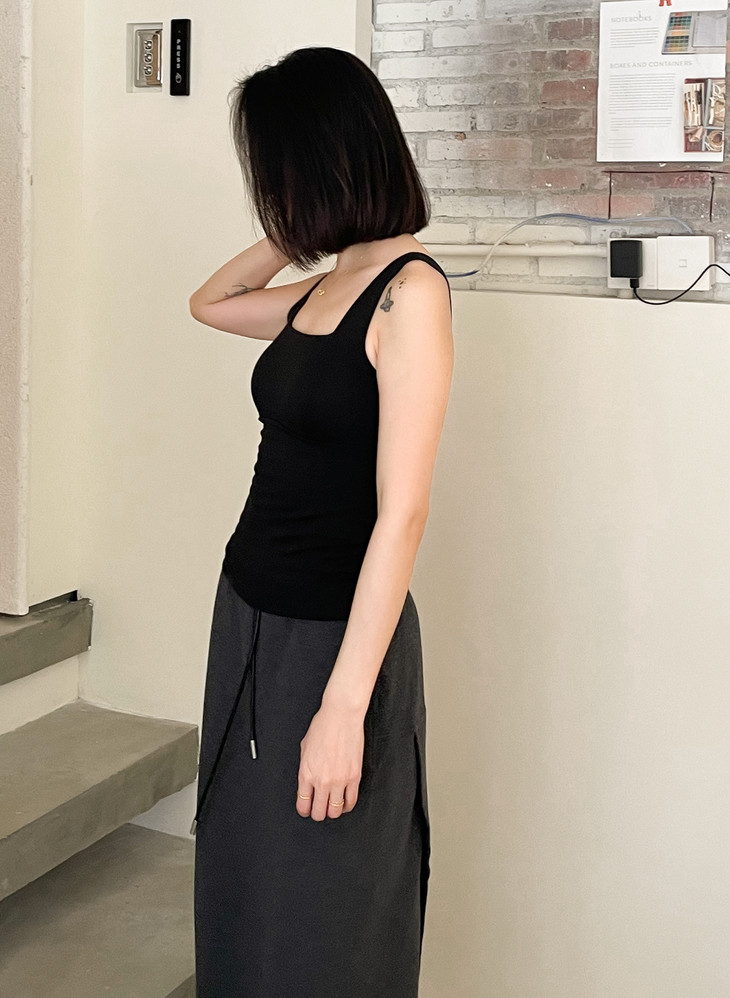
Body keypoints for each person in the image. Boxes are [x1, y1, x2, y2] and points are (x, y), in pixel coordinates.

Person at [188, 44, 453, 998]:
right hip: (250, 615)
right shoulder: (328, 282)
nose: (272, 194)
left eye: (278, 173)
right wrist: (294, 233)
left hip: (336, 643)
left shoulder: (410, 293)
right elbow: (210, 305)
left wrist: (344, 709)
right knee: (244, 880)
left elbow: (402, 514)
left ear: (325, 160)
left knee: (327, 911)